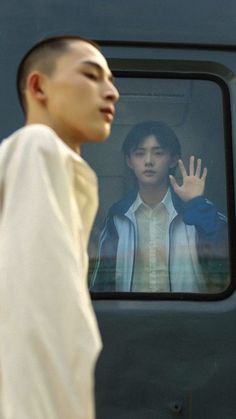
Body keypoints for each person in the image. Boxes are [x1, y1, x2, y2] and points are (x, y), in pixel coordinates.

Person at [0, 35, 119, 419]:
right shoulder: (38, 148)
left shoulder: (40, 159)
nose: (112, 92)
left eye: (111, 80)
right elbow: (39, 317)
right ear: (38, 87)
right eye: (91, 75)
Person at [91, 121, 228, 293]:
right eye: (139, 154)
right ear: (129, 161)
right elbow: (101, 279)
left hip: (190, 313)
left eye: (158, 153)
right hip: (131, 316)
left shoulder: (196, 207)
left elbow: (224, 256)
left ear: (173, 160)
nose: (148, 161)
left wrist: (196, 202)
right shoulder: (117, 216)